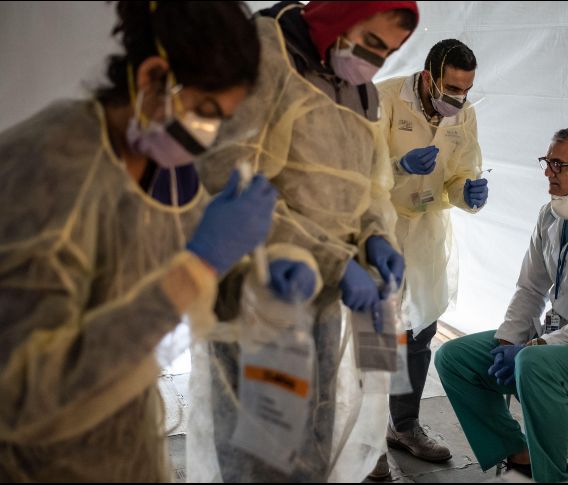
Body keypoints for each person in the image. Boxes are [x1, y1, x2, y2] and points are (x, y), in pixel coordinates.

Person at [0, 1, 303, 481]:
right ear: (152, 77)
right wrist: (202, 263)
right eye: (205, 111)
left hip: (128, 439)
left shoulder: (169, 167)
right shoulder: (48, 167)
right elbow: (28, 397)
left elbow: (176, 285)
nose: (207, 137)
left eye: (221, 120)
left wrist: (250, 281)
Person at [188, 1, 419, 482]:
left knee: (314, 435)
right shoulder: (265, 52)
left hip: (325, 296)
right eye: (371, 42)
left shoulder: (360, 89)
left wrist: (375, 236)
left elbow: (370, 184)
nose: (375, 61)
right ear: (342, 13)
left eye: (388, 52)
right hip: (260, 289)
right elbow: (230, 176)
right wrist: (334, 260)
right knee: (260, 447)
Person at [434, 127, 568, 483]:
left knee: (533, 363)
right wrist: (508, 341)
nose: (549, 172)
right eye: (547, 163)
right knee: (453, 358)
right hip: (555, 345)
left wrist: (533, 346)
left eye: (558, 164)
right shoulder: (550, 217)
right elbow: (530, 288)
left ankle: (552, 477)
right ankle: (518, 453)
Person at [372, 39, 487, 478]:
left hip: (424, 233)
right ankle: (366, 441)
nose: (458, 99)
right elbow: (357, 171)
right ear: (427, 77)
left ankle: (403, 426)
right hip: (378, 229)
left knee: (418, 333)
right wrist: (400, 167)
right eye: (451, 88)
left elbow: (460, 174)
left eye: (466, 89)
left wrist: (467, 194)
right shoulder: (383, 98)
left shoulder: (464, 113)